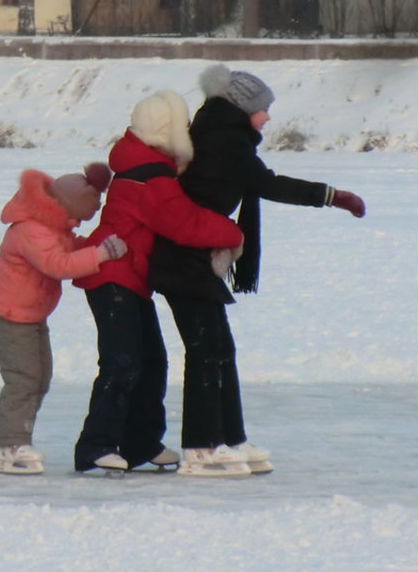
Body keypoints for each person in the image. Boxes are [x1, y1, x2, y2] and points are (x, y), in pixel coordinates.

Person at [148, 65, 366, 476]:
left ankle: (230, 438)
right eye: (263, 108)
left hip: (192, 255)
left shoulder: (220, 135)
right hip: (181, 257)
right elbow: (269, 184)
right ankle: (201, 448)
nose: (267, 117)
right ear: (242, 108)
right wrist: (333, 196)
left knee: (218, 351)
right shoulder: (224, 141)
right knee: (207, 352)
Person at [72, 90, 244, 474]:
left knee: (152, 361)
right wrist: (232, 232)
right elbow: (183, 223)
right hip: (112, 278)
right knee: (123, 363)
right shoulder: (149, 176)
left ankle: (140, 442)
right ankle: (94, 445)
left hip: (128, 279)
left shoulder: (145, 165)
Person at [0, 163, 128, 474]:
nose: (74, 225)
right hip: (10, 313)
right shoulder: (32, 229)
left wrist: (89, 245)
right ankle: (10, 443)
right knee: (24, 378)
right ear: (61, 208)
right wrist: (100, 255)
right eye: (74, 219)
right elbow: (57, 263)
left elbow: (66, 245)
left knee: (40, 376)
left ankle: (4, 436)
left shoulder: (53, 225)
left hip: (31, 313)